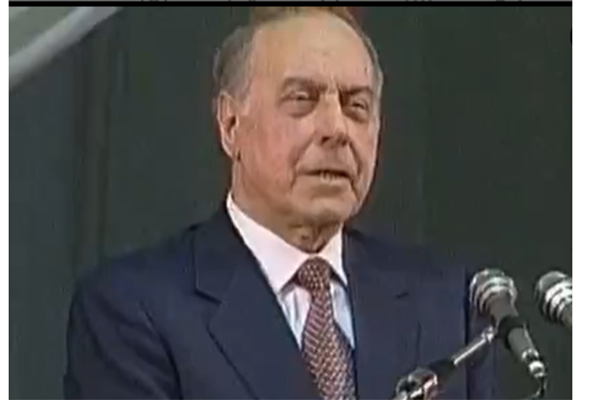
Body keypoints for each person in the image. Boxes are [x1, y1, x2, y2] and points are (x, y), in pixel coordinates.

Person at [63, 7, 497, 400]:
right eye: (302, 100)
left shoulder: (448, 306)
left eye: (357, 106)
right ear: (230, 124)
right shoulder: (134, 309)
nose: (336, 129)